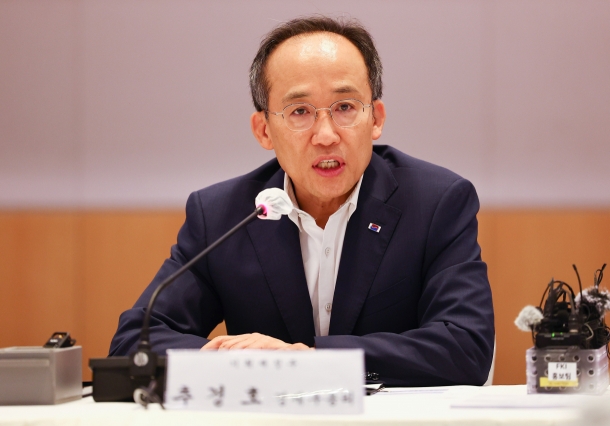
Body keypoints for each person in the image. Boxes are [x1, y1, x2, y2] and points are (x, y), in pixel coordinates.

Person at [109, 16, 494, 387]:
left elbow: (465, 346)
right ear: (264, 130)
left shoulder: (436, 203)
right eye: (300, 112)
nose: (326, 135)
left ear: (375, 118)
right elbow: (134, 343)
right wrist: (245, 363)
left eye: (345, 107)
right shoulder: (223, 216)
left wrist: (307, 360)